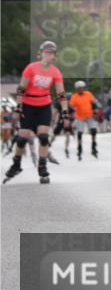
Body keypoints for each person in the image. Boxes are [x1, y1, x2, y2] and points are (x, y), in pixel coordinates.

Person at [3, 41, 71, 184]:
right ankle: (16, 165)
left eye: (51, 53)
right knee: (22, 138)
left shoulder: (55, 72)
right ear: (40, 54)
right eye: (46, 52)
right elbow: (21, 88)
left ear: (54, 56)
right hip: (28, 105)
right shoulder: (31, 68)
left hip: (44, 106)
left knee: (44, 137)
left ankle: (42, 168)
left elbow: (61, 93)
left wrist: (65, 112)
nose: (48, 55)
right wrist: (19, 106)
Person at [70, 80, 100, 159]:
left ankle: (93, 146)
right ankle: (79, 149)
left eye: (82, 88)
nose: (81, 89)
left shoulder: (88, 94)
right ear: (76, 89)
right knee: (80, 133)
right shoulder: (74, 97)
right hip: (80, 117)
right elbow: (71, 107)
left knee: (94, 130)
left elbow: (94, 103)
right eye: (79, 88)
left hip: (90, 115)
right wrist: (71, 114)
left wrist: (96, 110)